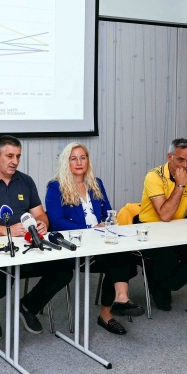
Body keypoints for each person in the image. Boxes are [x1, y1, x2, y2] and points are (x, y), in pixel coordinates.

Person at [0, 135, 73, 340]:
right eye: (9, 156)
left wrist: (43, 223)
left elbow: (39, 213)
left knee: (63, 271)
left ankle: (28, 306)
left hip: (27, 245)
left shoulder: (26, 181)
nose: (14, 161)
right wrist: (7, 231)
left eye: (18, 156)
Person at [45, 142, 143, 335]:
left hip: (100, 242)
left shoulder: (96, 183)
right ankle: (112, 309)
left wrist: (107, 223)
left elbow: (108, 213)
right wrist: (90, 229)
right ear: (66, 162)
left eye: (83, 158)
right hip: (76, 247)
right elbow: (56, 221)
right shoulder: (55, 186)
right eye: (73, 159)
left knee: (121, 256)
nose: (79, 162)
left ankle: (118, 302)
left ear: (88, 160)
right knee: (120, 259)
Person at [136, 138, 187, 311]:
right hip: (149, 229)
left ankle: (161, 285)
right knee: (168, 257)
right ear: (169, 157)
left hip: (176, 229)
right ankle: (159, 286)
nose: (185, 165)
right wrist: (180, 185)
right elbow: (165, 215)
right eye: (180, 159)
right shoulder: (154, 176)